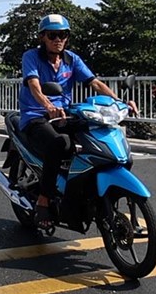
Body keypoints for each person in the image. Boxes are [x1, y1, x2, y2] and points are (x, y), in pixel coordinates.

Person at [18, 14, 139, 230]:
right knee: (60, 143)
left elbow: (95, 83)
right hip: (36, 114)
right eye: (53, 35)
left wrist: (120, 103)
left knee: (97, 137)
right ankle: (44, 199)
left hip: (66, 114)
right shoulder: (31, 56)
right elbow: (34, 85)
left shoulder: (71, 59)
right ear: (42, 37)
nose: (58, 39)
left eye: (63, 35)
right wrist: (48, 105)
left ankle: (84, 190)